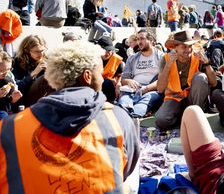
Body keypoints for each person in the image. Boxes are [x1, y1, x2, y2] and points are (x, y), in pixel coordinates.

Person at [0, 41, 140, 192]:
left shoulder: (8, 127)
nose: (102, 79)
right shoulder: (117, 118)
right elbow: (126, 168)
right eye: (100, 73)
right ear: (87, 76)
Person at [155, 30, 217, 130]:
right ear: (175, 48)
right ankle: (183, 116)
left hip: (192, 98)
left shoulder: (198, 57)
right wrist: (168, 66)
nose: (188, 50)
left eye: (190, 46)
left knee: (201, 77)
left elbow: (214, 83)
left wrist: (207, 63)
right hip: (174, 98)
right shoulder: (166, 59)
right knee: (161, 121)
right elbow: (160, 88)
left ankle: (196, 117)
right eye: (184, 46)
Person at [118, 30, 164, 118]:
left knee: (139, 108)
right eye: (138, 39)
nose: (139, 42)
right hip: (132, 90)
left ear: (151, 40)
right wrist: (129, 81)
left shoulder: (162, 57)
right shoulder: (132, 58)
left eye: (142, 39)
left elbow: (163, 80)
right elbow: (124, 79)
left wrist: (146, 88)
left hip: (151, 90)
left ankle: (133, 118)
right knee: (123, 105)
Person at [12, 35, 48, 106]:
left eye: (42, 50)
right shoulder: (16, 62)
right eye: (36, 51)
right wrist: (34, 73)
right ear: (26, 50)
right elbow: (16, 87)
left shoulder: (47, 60)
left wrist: (50, 72)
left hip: (42, 100)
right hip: (24, 101)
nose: (41, 54)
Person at [0, 51, 22, 119]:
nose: (5, 73)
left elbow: (8, 100)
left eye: (9, 69)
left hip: (7, 109)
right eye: (1, 70)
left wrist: (13, 99)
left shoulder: (9, 77)